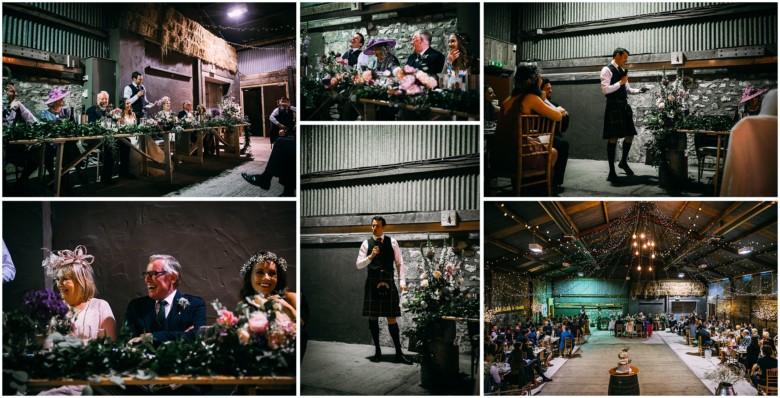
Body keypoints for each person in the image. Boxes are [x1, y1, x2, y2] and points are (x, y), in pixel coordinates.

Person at [492, 63, 563, 193]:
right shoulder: (531, 98)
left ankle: (523, 187)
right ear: (533, 81)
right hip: (516, 156)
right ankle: (539, 190)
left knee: (536, 141)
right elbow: (558, 116)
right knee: (553, 152)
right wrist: (545, 100)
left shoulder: (507, 100)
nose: (540, 82)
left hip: (497, 155)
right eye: (539, 79)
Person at [355, 216, 411, 365]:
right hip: (372, 284)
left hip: (388, 281)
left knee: (391, 317)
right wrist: (371, 256)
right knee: (372, 317)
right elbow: (359, 265)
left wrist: (402, 282)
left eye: (377, 226)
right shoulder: (366, 244)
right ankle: (377, 352)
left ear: (384, 227)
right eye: (373, 226)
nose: (374, 228)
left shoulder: (392, 242)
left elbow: (399, 263)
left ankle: (399, 353)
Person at [125, 254, 206, 344]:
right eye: (146, 274)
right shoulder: (136, 307)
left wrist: (152, 337)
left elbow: (197, 337)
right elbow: (130, 342)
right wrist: (181, 335)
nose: (147, 279)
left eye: (153, 274)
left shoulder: (193, 305)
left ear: (173, 277)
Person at [43, 245, 118, 341]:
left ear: (80, 281)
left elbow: (111, 346)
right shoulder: (55, 309)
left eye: (65, 279)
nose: (59, 284)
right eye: (57, 279)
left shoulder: (100, 306)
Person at [601, 47, 648, 182]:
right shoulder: (607, 69)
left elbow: (627, 89)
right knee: (613, 137)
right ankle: (611, 171)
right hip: (613, 105)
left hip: (623, 106)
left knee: (630, 134)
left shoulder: (623, 71)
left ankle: (623, 162)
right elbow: (605, 90)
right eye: (625, 57)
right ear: (617, 55)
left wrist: (640, 90)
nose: (626, 60)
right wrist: (620, 82)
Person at [238, 251, 296, 320]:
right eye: (259, 272)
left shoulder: (291, 298)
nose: (266, 278)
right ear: (250, 276)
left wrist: (286, 307)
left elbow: (301, 326)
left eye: (272, 273)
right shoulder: (242, 306)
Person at [541, 78, 570, 193]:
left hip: (552, 134)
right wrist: (560, 112)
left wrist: (565, 114)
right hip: (542, 134)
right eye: (548, 89)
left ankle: (556, 182)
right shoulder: (538, 101)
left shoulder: (553, 103)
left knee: (562, 143)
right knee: (562, 144)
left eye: (551, 88)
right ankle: (552, 182)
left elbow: (562, 126)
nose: (551, 91)